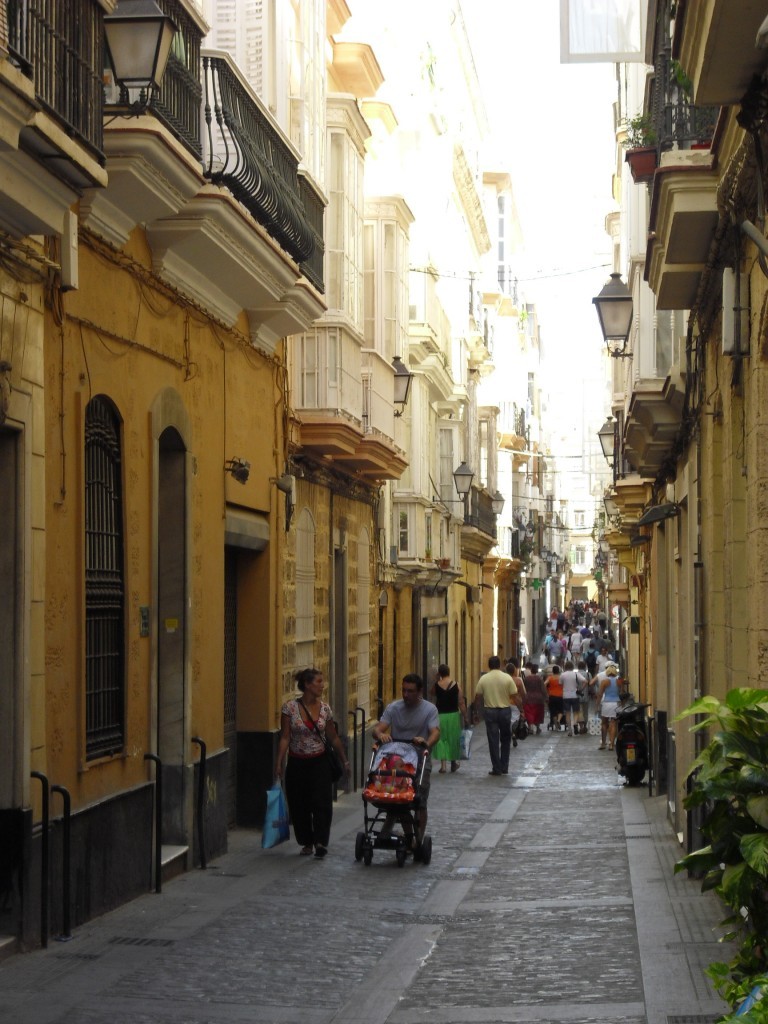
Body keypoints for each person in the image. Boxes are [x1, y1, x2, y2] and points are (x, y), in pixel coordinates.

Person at [275, 667, 349, 857]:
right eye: (318, 681)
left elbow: (332, 737)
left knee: (322, 803)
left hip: (320, 762)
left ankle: (321, 842)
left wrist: (344, 759)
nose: (322, 685)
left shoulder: (325, 709)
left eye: (322, 681)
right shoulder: (289, 708)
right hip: (297, 763)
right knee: (299, 804)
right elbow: (285, 737)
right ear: (307, 685)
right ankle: (307, 841)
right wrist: (278, 762)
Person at [372, 674, 440, 842]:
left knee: (419, 800)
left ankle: (419, 838)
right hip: (397, 761)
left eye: (410, 691)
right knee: (398, 798)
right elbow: (378, 728)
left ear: (419, 692)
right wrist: (381, 734)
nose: (406, 694)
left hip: (419, 759)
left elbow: (435, 732)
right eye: (403, 690)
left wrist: (425, 742)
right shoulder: (394, 708)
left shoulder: (429, 709)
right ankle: (409, 835)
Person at [473, 656, 521, 776]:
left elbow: (478, 697)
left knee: (493, 740)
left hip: (490, 712)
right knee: (506, 738)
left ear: (489, 666)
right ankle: (504, 766)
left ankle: (496, 768)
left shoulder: (484, 679)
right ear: (500, 665)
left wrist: (476, 712)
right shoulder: (507, 678)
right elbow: (515, 696)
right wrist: (522, 710)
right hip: (505, 711)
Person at [430, 663, 466, 773]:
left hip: (440, 715)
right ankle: (454, 763)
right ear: (449, 672)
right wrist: (465, 716)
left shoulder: (436, 685)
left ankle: (443, 766)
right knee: (453, 738)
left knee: (442, 739)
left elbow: (431, 693)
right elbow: (461, 702)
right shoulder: (456, 685)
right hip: (453, 715)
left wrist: (436, 680)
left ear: (439, 673)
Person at [595, 662, 622, 750]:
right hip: (616, 704)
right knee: (613, 723)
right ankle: (611, 744)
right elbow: (622, 693)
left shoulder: (604, 682)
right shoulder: (619, 681)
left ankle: (603, 743)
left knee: (604, 723)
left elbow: (600, 694)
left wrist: (597, 705)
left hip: (606, 703)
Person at [560, 660, 587, 736]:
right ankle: (575, 723)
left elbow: (560, 683)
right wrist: (580, 689)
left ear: (565, 667)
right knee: (576, 712)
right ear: (572, 667)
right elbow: (585, 681)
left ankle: (570, 731)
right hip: (575, 695)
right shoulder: (576, 674)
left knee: (568, 713)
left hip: (566, 696)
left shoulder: (563, 675)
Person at [522, 661, 547, 734]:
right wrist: (546, 697)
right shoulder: (539, 679)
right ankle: (538, 727)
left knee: (529, 713)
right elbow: (543, 689)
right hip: (538, 698)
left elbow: (524, 688)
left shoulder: (526, 679)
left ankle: (530, 728)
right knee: (538, 713)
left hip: (528, 698)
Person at [545, 663, 564, 731]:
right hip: (560, 696)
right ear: (559, 671)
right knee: (561, 710)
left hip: (552, 696)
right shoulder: (561, 677)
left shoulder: (550, 677)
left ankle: (556, 725)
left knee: (553, 711)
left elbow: (545, 684)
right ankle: (559, 720)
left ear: (553, 671)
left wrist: (546, 691)